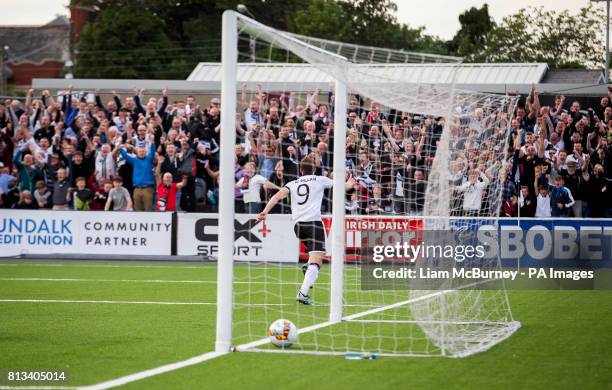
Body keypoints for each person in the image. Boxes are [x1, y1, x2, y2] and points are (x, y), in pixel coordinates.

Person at [256, 156, 356, 305]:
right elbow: (343, 188)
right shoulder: (320, 179)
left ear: (301, 170)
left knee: (316, 258)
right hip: (314, 224)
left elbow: (277, 196)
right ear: (314, 169)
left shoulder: (293, 183)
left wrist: (265, 211)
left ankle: (308, 266)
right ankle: (302, 293)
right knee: (318, 260)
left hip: (298, 226)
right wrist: (349, 183)